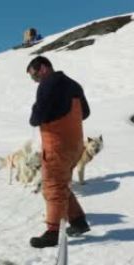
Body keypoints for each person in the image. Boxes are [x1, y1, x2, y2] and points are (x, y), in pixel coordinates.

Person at [26, 56, 91, 248]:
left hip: (57, 145)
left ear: (44, 68)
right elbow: (85, 113)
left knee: (52, 186)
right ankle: (79, 222)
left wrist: (36, 111)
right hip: (76, 145)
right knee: (61, 184)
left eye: (34, 75)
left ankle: (52, 232)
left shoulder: (48, 84)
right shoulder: (74, 85)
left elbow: (36, 117)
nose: (35, 80)